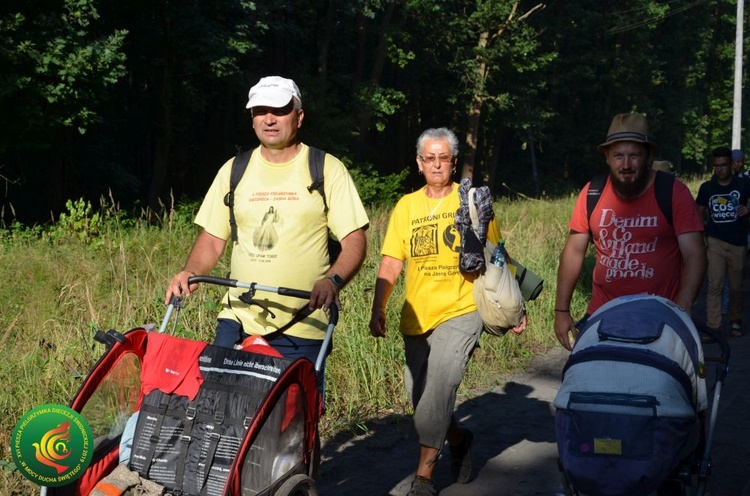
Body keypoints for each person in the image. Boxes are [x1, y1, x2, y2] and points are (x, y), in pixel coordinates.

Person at [165, 76, 369, 394]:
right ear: (252, 119)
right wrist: (190, 272)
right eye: (260, 110)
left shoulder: (326, 169)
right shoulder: (234, 170)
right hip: (237, 318)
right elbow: (212, 238)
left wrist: (332, 281)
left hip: (304, 323)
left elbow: (354, 239)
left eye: (279, 109)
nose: (269, 118)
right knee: (219, 412)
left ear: (298, 117)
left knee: (293, 426)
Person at [368, 127, 526, 496]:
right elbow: (391, 261)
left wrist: (516, 306)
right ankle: (459, 440)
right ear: (419, 163)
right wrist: (379, 306)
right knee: (421, 400)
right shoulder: (406, 206)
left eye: (443, 158)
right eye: (429, 158)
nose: (436, 164)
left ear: (454, 163)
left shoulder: (471, 199)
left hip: (462, 308)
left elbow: (498, 253)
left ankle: (423, 478)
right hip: (417, 317)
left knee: (440, 389)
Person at [554, 112, 706, 351]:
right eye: (618, 156)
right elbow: (574, 252)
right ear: (606, 157)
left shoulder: (672, 192)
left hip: (661, 317)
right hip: (603, 315)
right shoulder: (591, 193)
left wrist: (682, 308)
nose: (625, 165)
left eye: (634, 155)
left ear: (648, 156)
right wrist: (561, 311)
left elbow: (695, 254)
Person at [695, 147, 750, 339]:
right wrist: (702, 233)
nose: (720, 169)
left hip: (737, 242)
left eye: (723, 165)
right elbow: (698, 210)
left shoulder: (743, 184)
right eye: (716, 166)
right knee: (714, 284)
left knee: (735, 286)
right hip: (715, 241)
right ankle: (713, 328)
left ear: (730, 164)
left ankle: (735, 322)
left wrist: (747, 208)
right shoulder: (707, 188)